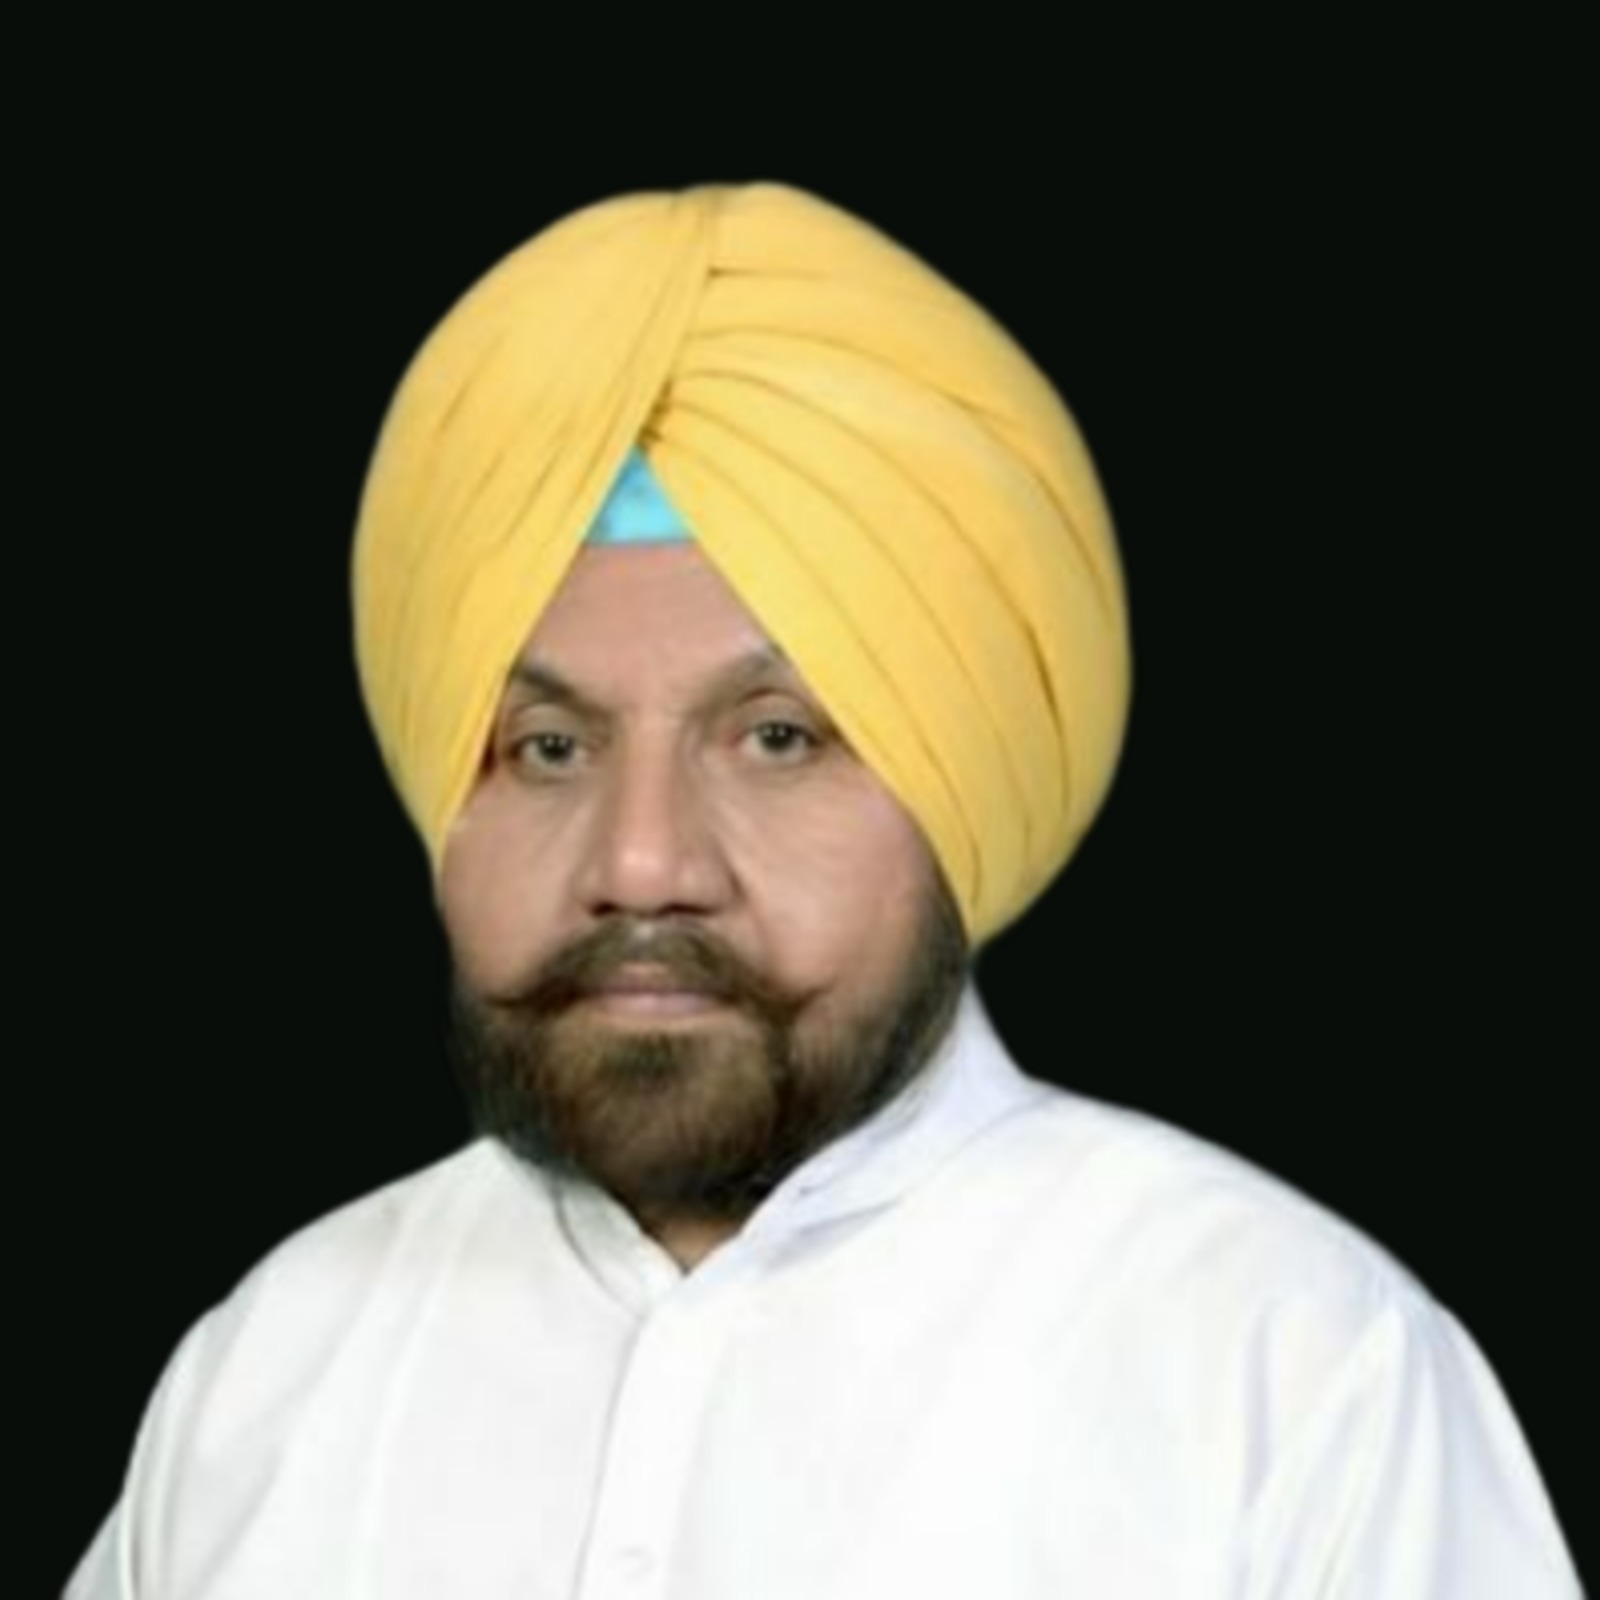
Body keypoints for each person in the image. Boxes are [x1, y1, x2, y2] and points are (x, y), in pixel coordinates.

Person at [68, 182, 1582, 1598]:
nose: (641, 864)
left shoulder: (1290, 1376)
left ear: (959, 784)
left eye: (778, 738)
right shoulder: (269, 1372)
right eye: (547, 748)